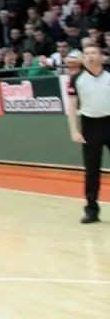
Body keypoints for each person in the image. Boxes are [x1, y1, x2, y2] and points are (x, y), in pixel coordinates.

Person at [66, 44, 110, 223]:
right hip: (90, 126)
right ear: (83, 58)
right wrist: (74, 130)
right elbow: (71, 106)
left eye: (94, 53)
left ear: (102, 57)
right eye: (87, 54)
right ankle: (92, 210)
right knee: (92, 171)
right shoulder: (76, 79)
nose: (90, 57)